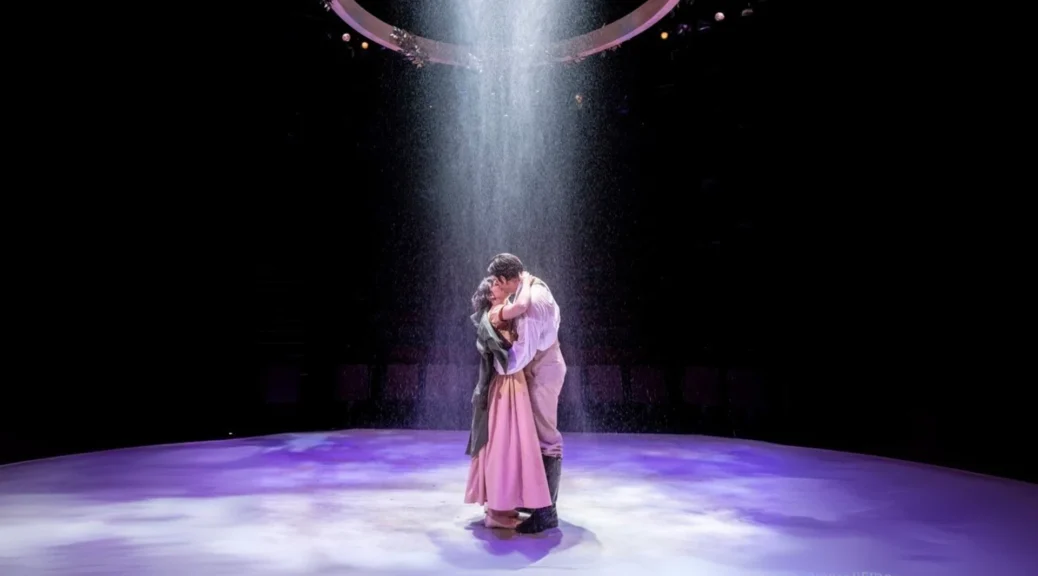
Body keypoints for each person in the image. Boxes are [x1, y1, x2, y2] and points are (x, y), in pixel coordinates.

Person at [464, 272, 552, 529]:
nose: (499, 283)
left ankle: (504, 504)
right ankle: (496, 512)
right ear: (491, 295)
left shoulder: (501, 310)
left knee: (511, 444)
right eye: (494, 283)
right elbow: (522, 305)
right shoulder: (496, 312)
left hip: (512, 381)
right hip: (507, 384)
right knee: (505, 443)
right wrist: (527, 280)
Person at [486, 253, 565, 534]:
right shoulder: (530, 288)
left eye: (497, 281)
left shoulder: (530, 303)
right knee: (531, 436)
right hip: (539, 365)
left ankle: (547, 511)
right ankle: (536, 500)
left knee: (546, 438)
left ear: (505, 279)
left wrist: (499, 367)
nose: (495, 285)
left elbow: (523, 353)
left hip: (542, 368)